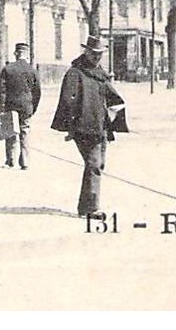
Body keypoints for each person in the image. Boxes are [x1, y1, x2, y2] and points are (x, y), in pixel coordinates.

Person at [51, 35, 125, 218]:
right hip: (83, 128)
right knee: (94, 164)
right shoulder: (75, 73)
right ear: (86, 52)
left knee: (98, 164)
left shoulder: (101, 74)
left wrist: (115, 113)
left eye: (100, 54)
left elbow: (113, 97)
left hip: (100, 128)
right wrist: (70, 128)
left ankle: (85, 207)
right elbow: (67, 102)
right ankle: (91, 209)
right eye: (94, 53)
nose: (97, 57)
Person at [0, 42, 42, 169]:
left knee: (11, 131)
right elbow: (37, 92)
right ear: (26, 55)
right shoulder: (32, 70)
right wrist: (33, 107)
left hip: (11, 105)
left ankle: (11, 160)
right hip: (27, 106)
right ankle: (25, 161)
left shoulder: (8, 69)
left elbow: (1, 90)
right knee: (25, 131)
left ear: (16, 54)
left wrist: (1, 106)